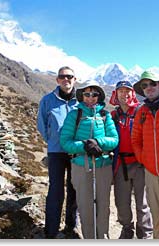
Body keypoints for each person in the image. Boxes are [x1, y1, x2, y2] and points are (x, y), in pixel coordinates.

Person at [60, 80, 119, 239]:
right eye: (87, 94)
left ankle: (103, 238)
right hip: (81, 166)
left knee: (103, 207)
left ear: (99, 97)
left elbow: (114, 139)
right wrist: (85, 145)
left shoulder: (105, 115)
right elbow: (65, 142)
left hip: (103, 166)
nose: (91, 97)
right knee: (85, 207)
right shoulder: (75, 115)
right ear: (82, 96)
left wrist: (99, 143)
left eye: (94, 94)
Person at [131, 71, 159, 239]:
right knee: (156, 217)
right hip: (151, 173)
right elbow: (135, 139)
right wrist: (143, 158)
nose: (149, 88)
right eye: (144, 85)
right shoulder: (141, 112)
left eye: (152, 84)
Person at [37, 66, 79, 239]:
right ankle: (51, 229)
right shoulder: (47, 100)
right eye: (62, 77)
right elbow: (41, 123)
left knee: (74, 188)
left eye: (69, 76)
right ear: (57, 80)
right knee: (55, 190)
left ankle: (71, 225)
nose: (66, 79)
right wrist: (53, 140)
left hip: (76, 151)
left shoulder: (80, 101)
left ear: (75, 79)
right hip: (56, 152)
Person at [109, 80, 153, 239]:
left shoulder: (141, 112)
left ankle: (145, 232)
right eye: (121, 91)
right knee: (121, 201)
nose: (124, 94)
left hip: (140, 163)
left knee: (142, 202)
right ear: (116, 94)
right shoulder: (113, 115)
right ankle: (127, 228)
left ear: (132, 93)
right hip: (120, 164)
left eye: (127, 91)